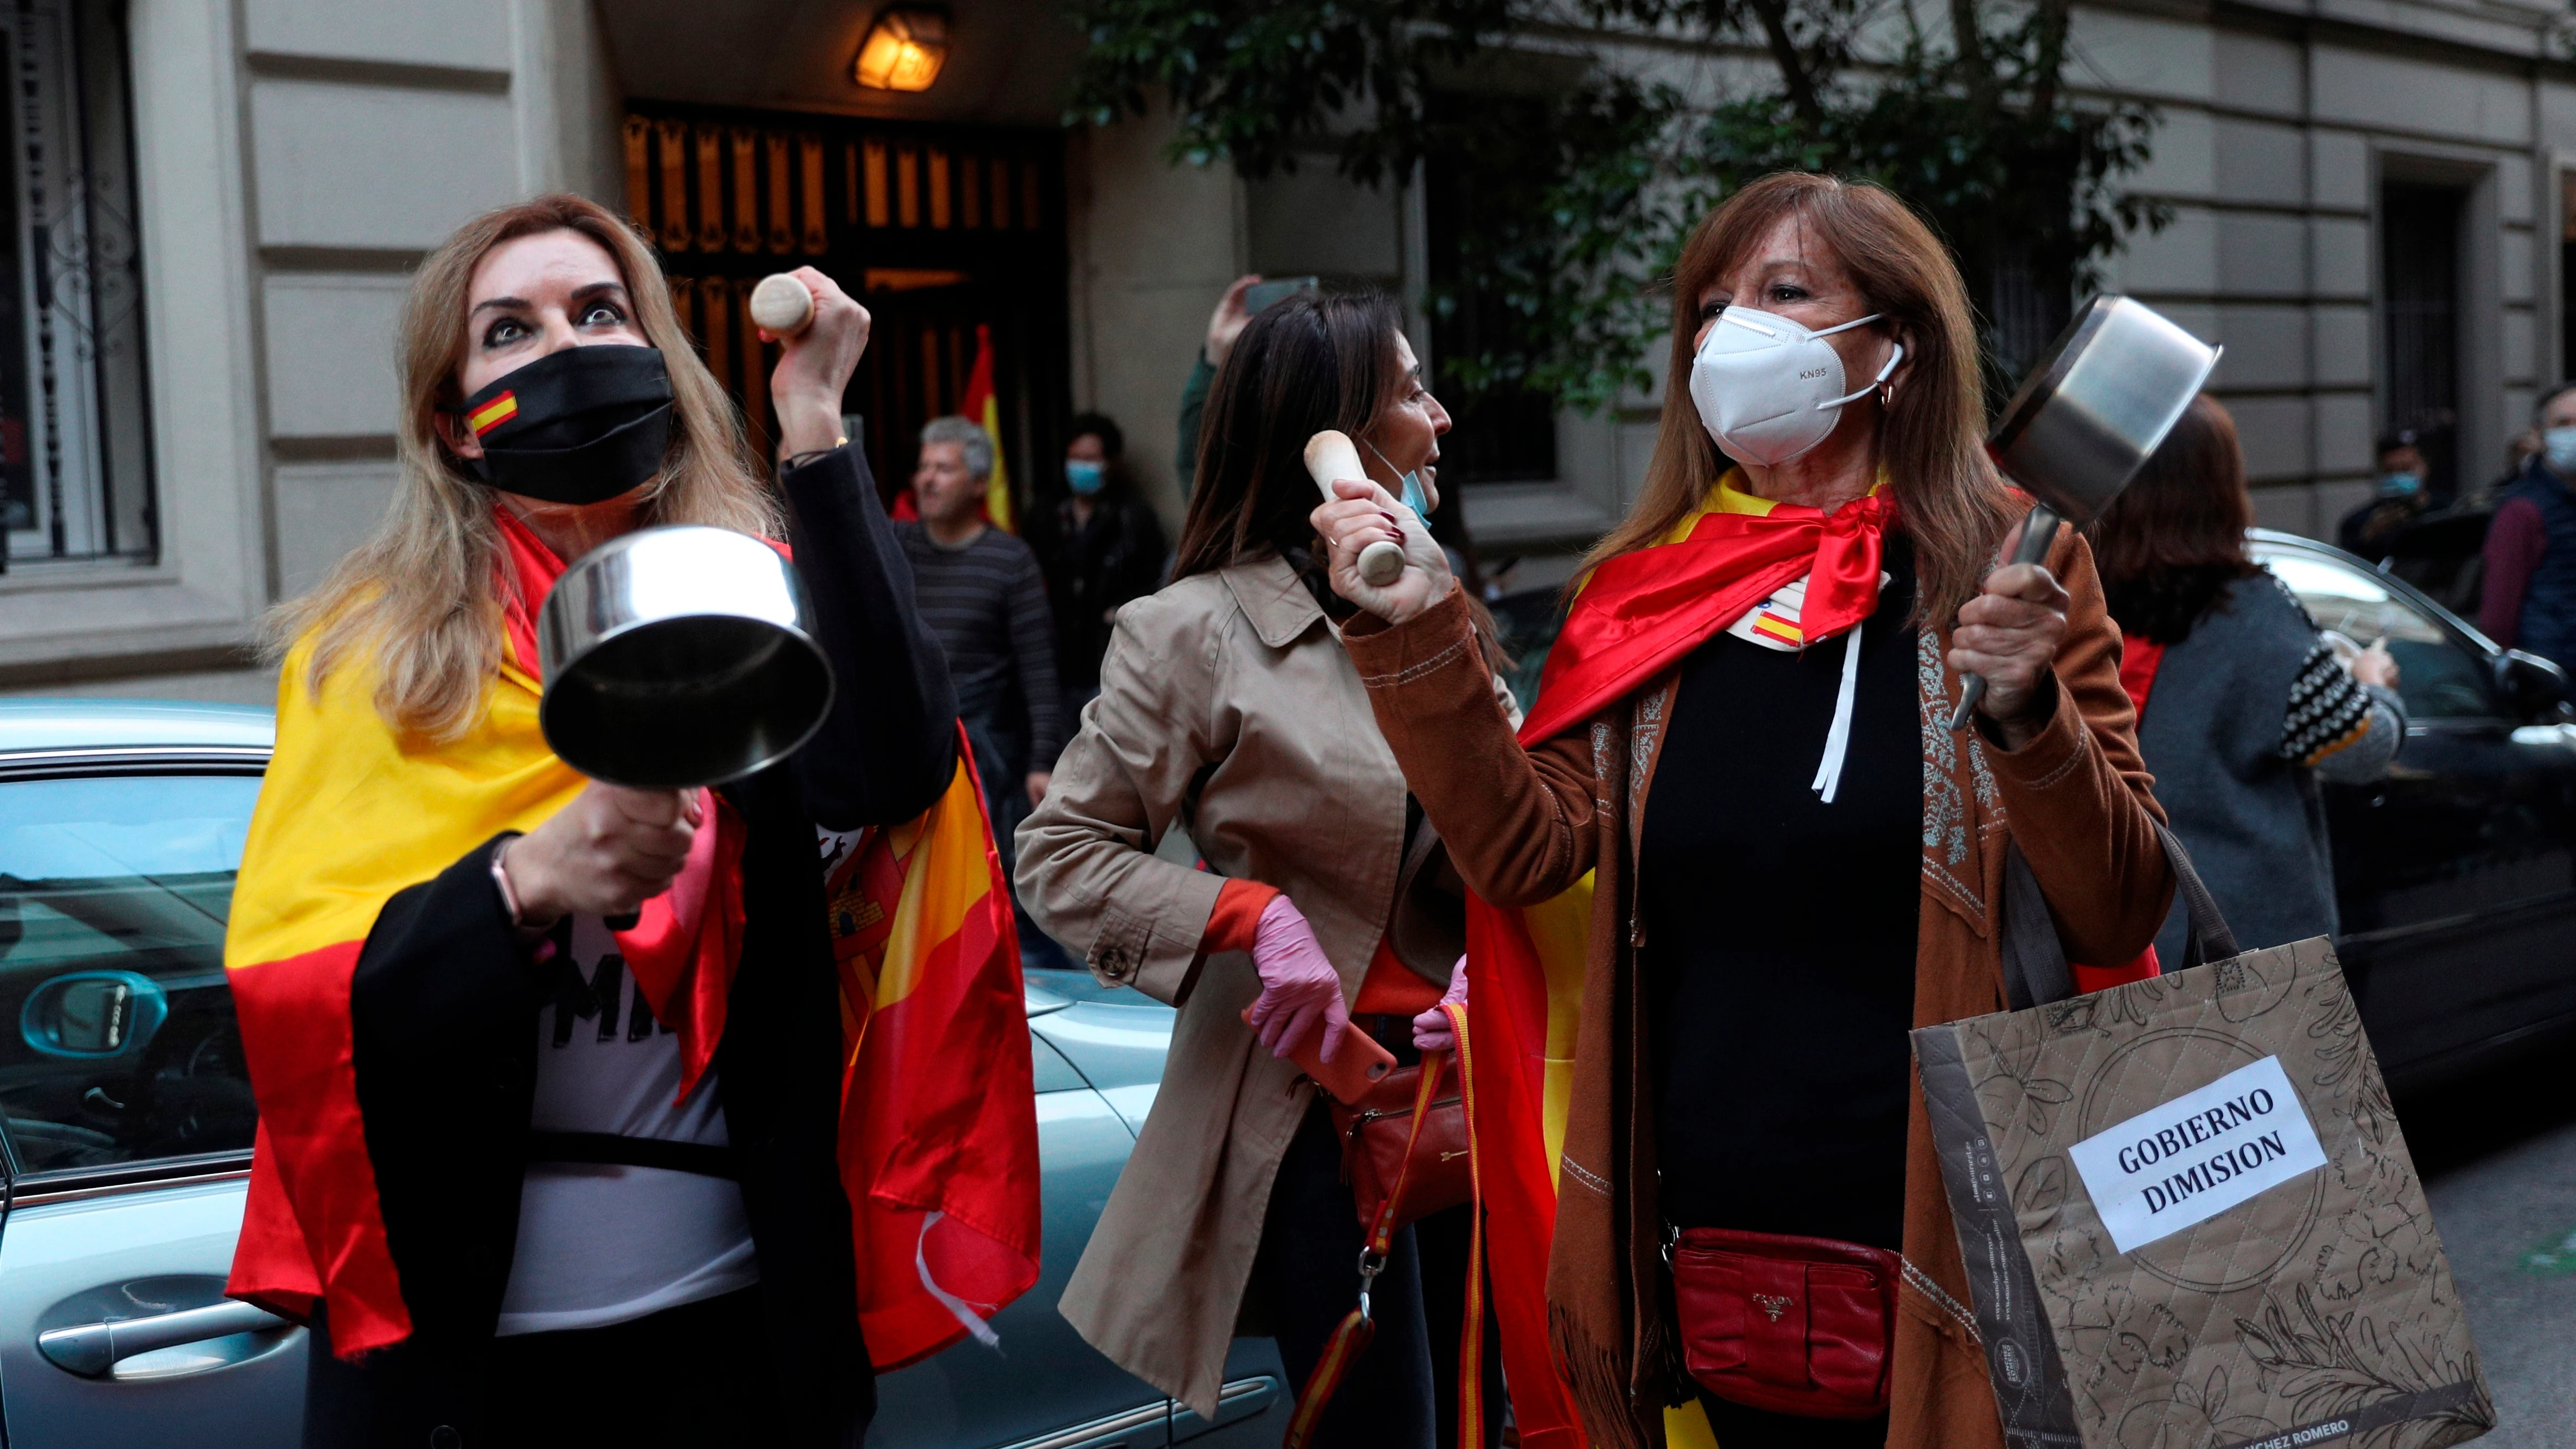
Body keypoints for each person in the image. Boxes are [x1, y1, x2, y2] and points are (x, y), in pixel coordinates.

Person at [1309, 172, 2177, 1448]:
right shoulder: (1643, 588)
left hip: (1963, 1222)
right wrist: (1419, 638)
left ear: (1895, 346)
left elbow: (2121, 900)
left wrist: (2024, 712)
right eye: (1710, 306)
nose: (1730, 335)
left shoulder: (2013, 563)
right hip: (1707, 1232)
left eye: (1782, 293)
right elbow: (1520, 852)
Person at [224, 194, 1036, 1448]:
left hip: (736, 1343)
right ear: (455, 423)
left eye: (599, 313)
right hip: (472, 1376)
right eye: (511, 330)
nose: (566, 349)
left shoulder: (743, 601)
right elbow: (306, 999)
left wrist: (816, 436)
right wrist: (523, 884)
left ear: (655, 355)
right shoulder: (370, 664)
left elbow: (895, 767)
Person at [1018, 290, 1508, 1448]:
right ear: (1324, 430)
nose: (1436, 419)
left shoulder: (1443, 609)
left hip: (1466, 1099)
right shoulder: (1187, 629)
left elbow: (1512, 841)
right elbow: (1058, 852)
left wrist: (1483, 969)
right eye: (1406, 390)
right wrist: (1249, 916)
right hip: (1309, 1120)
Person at [2093, 394, 2405, 965]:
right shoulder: (2251, 615)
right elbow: (2360, 749)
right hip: (2242, 944)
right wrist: (2375, 683)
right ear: (2217, 489)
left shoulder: (2075, 603)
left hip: (2113, 931)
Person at [900, 416, 1066, 837]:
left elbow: (1039, 669)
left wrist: (1043, 761)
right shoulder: (896, 546)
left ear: (979, 484)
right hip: (908, 748)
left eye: (944, 469)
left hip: (985, 754)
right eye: (924, 468)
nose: (928, 481)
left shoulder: (1010, 560)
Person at [1037, 411, 1167, 717]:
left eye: (1091, 458)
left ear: (1110, 462)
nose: (1081, 466)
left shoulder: (1135, 516)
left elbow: (1157, 580)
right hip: (1058, 661)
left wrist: (1122, 609)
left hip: (1110, 660)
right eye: (1075, 457)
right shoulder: (1046, 514)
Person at [2479, 381, 2576, 671]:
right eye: (2563, 423)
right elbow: (2498, 618)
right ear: (2540, 435)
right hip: (2552, 682)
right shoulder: (2522, 511)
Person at [2337, 427, 2432, 558]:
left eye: (2406, 469)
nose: (2398, 476)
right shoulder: (2357, 523)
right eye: (2390, 471)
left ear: (2425, 467)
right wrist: (2370, 533)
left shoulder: (2445, 512)